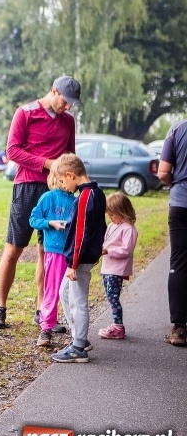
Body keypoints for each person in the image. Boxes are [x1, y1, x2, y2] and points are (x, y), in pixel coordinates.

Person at [0, 76, 79, 329]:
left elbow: (70, 155)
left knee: (47, 251)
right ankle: (0, 308)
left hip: (56, 192)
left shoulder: (68, 122)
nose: (68, 107)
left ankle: (43, 310)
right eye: (65, 101)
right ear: (53, 91)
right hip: (27, 185)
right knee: (14, 248)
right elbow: (12, 151)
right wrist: (48, 164)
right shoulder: (25, 113)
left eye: (71, 103)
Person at [50, 153, 106, 363]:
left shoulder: (84, 198)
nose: (64, 186)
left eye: (63, 181)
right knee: (64, 291)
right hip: (82, 256)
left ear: (71, 175)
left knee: (77, 301)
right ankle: (78, 336)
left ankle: (78, 347)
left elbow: (81, 234)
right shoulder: (96, 192)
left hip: (79, 260)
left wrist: (73, 265)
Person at [29, 166, 75, 347]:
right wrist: (50, 223)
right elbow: (33, 219)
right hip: (54, 252)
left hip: (71, 253)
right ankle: (46, 328)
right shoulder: (48, 198)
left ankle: (76, 331)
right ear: (58, 178)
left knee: (72, 292)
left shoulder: (76, 201)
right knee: (52, 290)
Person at [157, 120, 187, 346]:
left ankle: (179, 329)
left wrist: (175, 183)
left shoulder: (177, 128)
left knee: (179, 261)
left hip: (181, 203)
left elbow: (163, 172)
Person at [98, 192, 138, 340]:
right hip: (107, 267)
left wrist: (109, 250)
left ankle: (118, 327)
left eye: (113, 215)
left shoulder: (129, 229)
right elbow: (106, 241)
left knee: (113, 297)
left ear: (122, 212)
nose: (110, 218)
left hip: (117, 269)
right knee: (110, 297)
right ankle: (116, 325)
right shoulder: (112, 225)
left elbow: (126, 250)